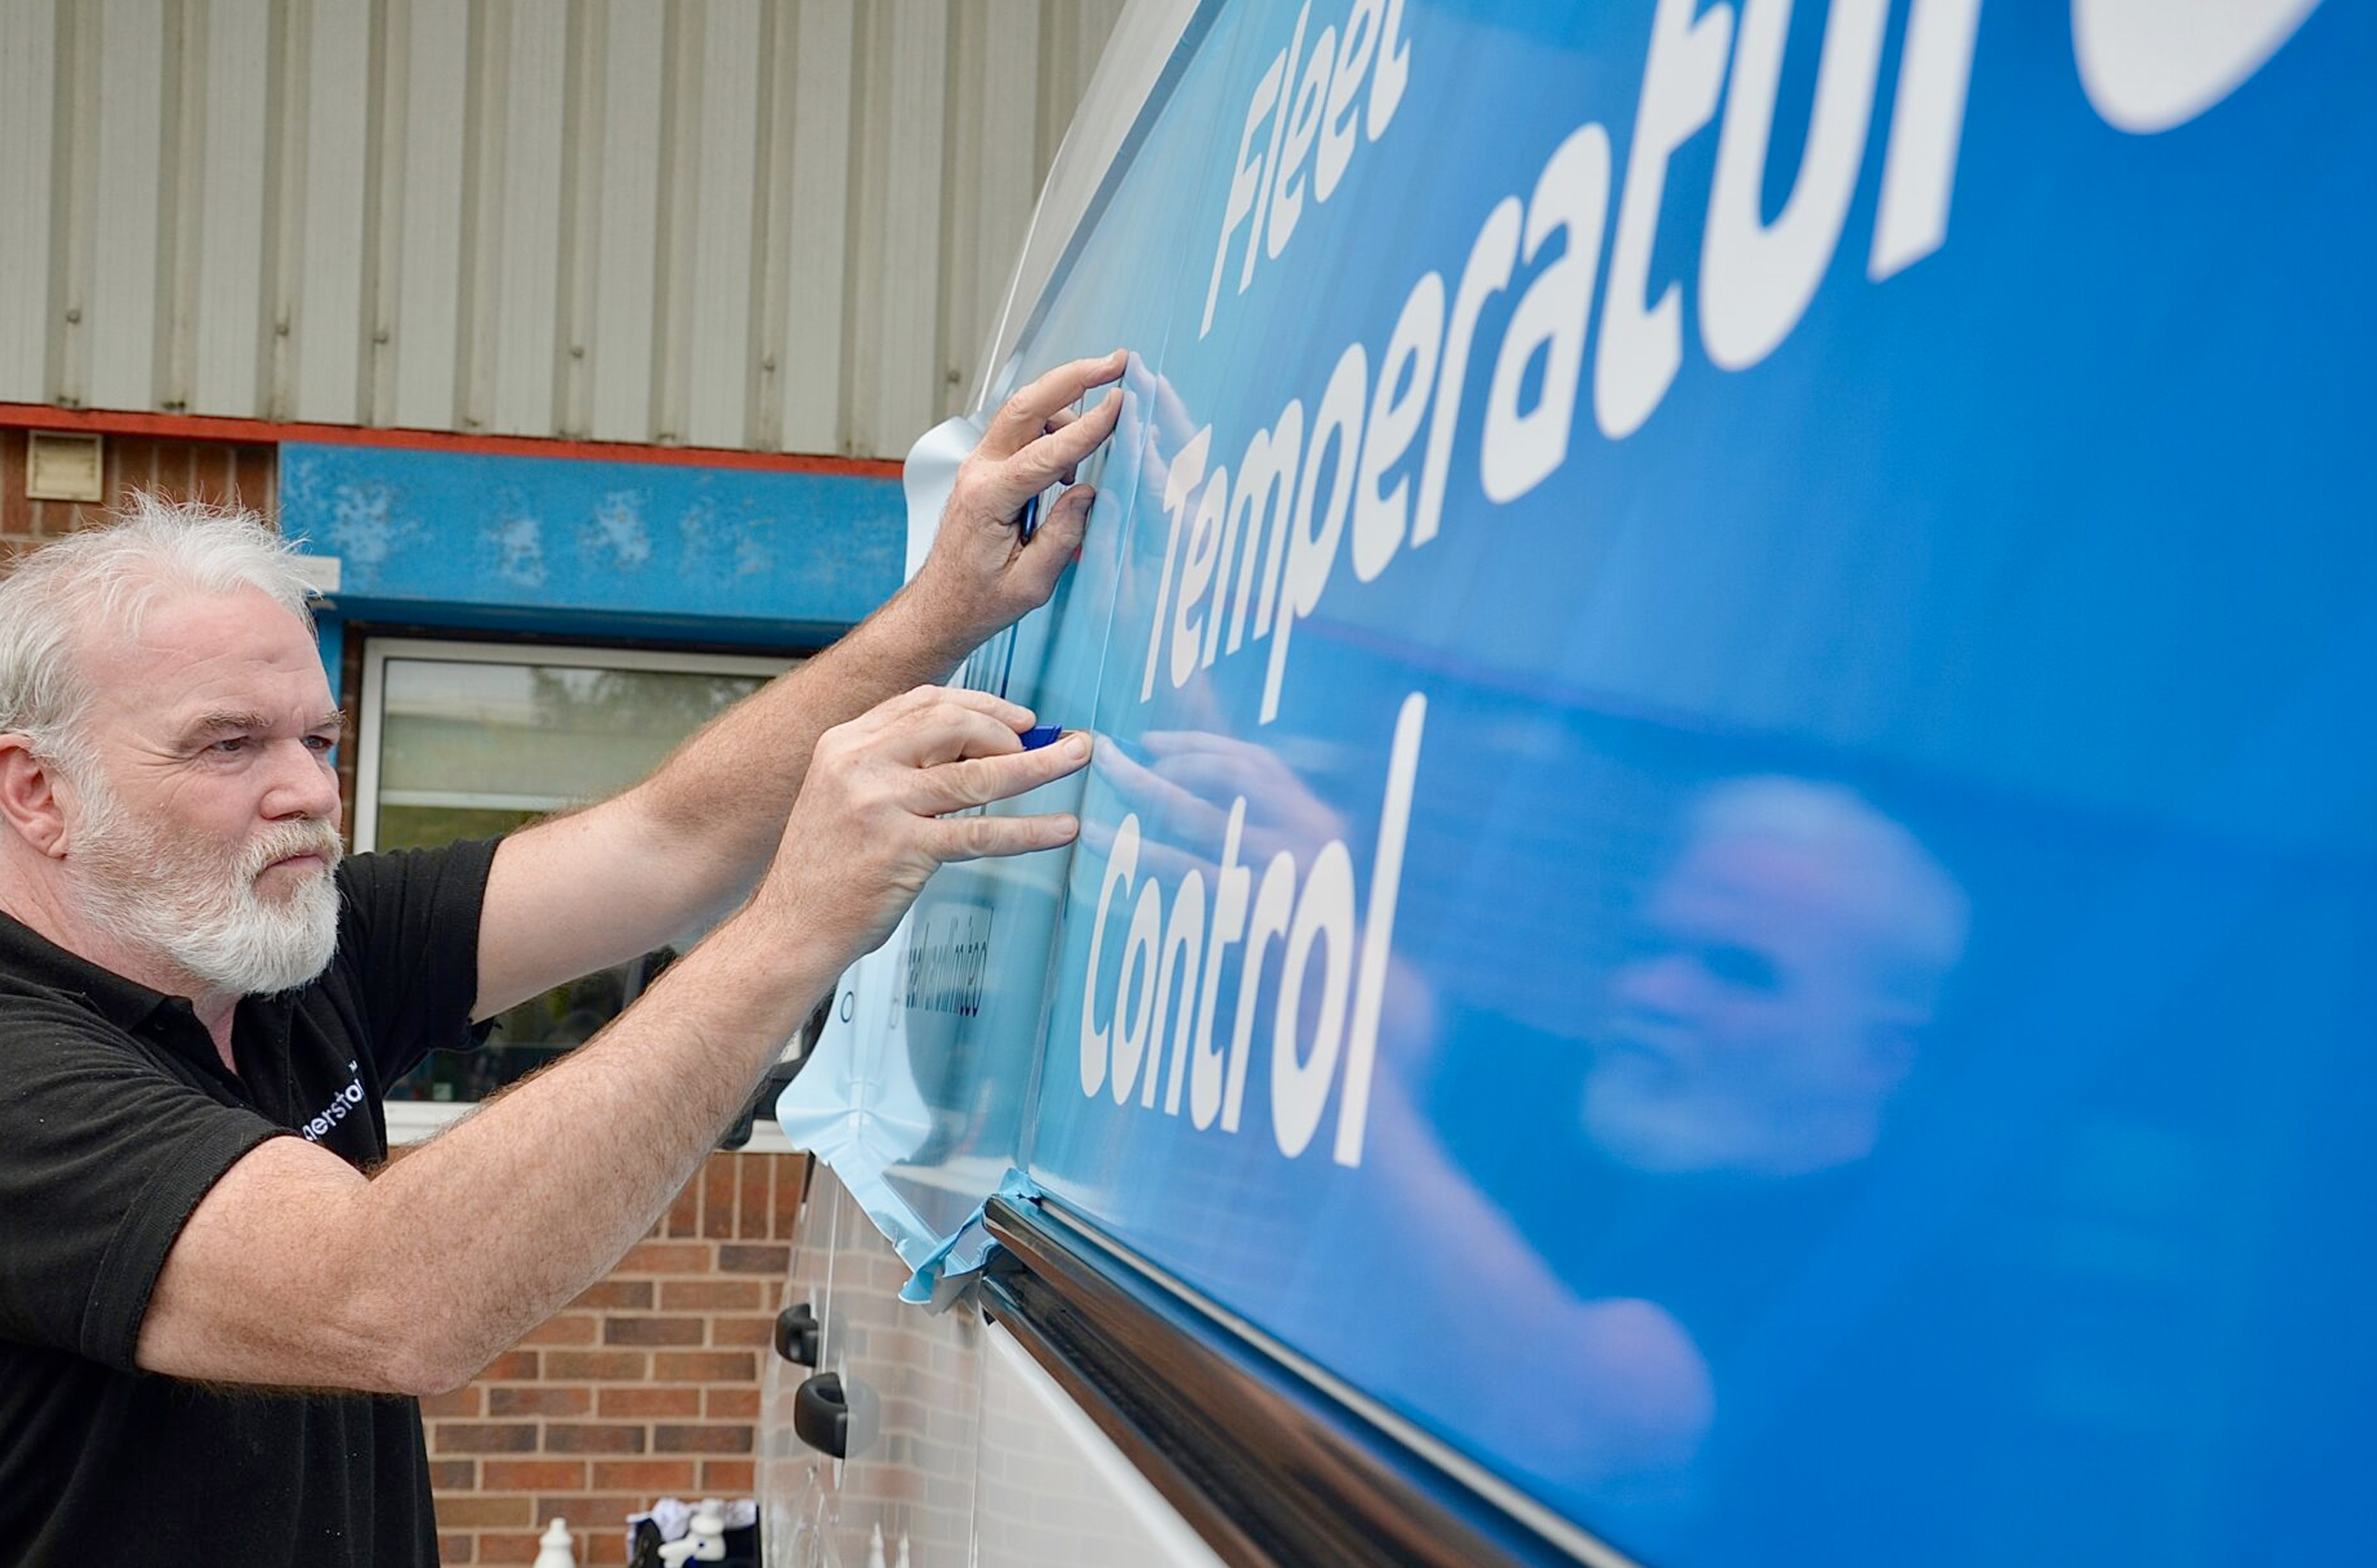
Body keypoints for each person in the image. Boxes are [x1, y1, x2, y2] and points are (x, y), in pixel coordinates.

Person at [0, 352, 1125, 1565]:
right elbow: (384, 1293)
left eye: (320, 736)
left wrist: (935, 618)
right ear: (37, 792)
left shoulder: (281, 947)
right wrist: (794, 928)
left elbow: (667, 841)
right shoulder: (23, 1064)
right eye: (227, 745)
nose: (308, 792)